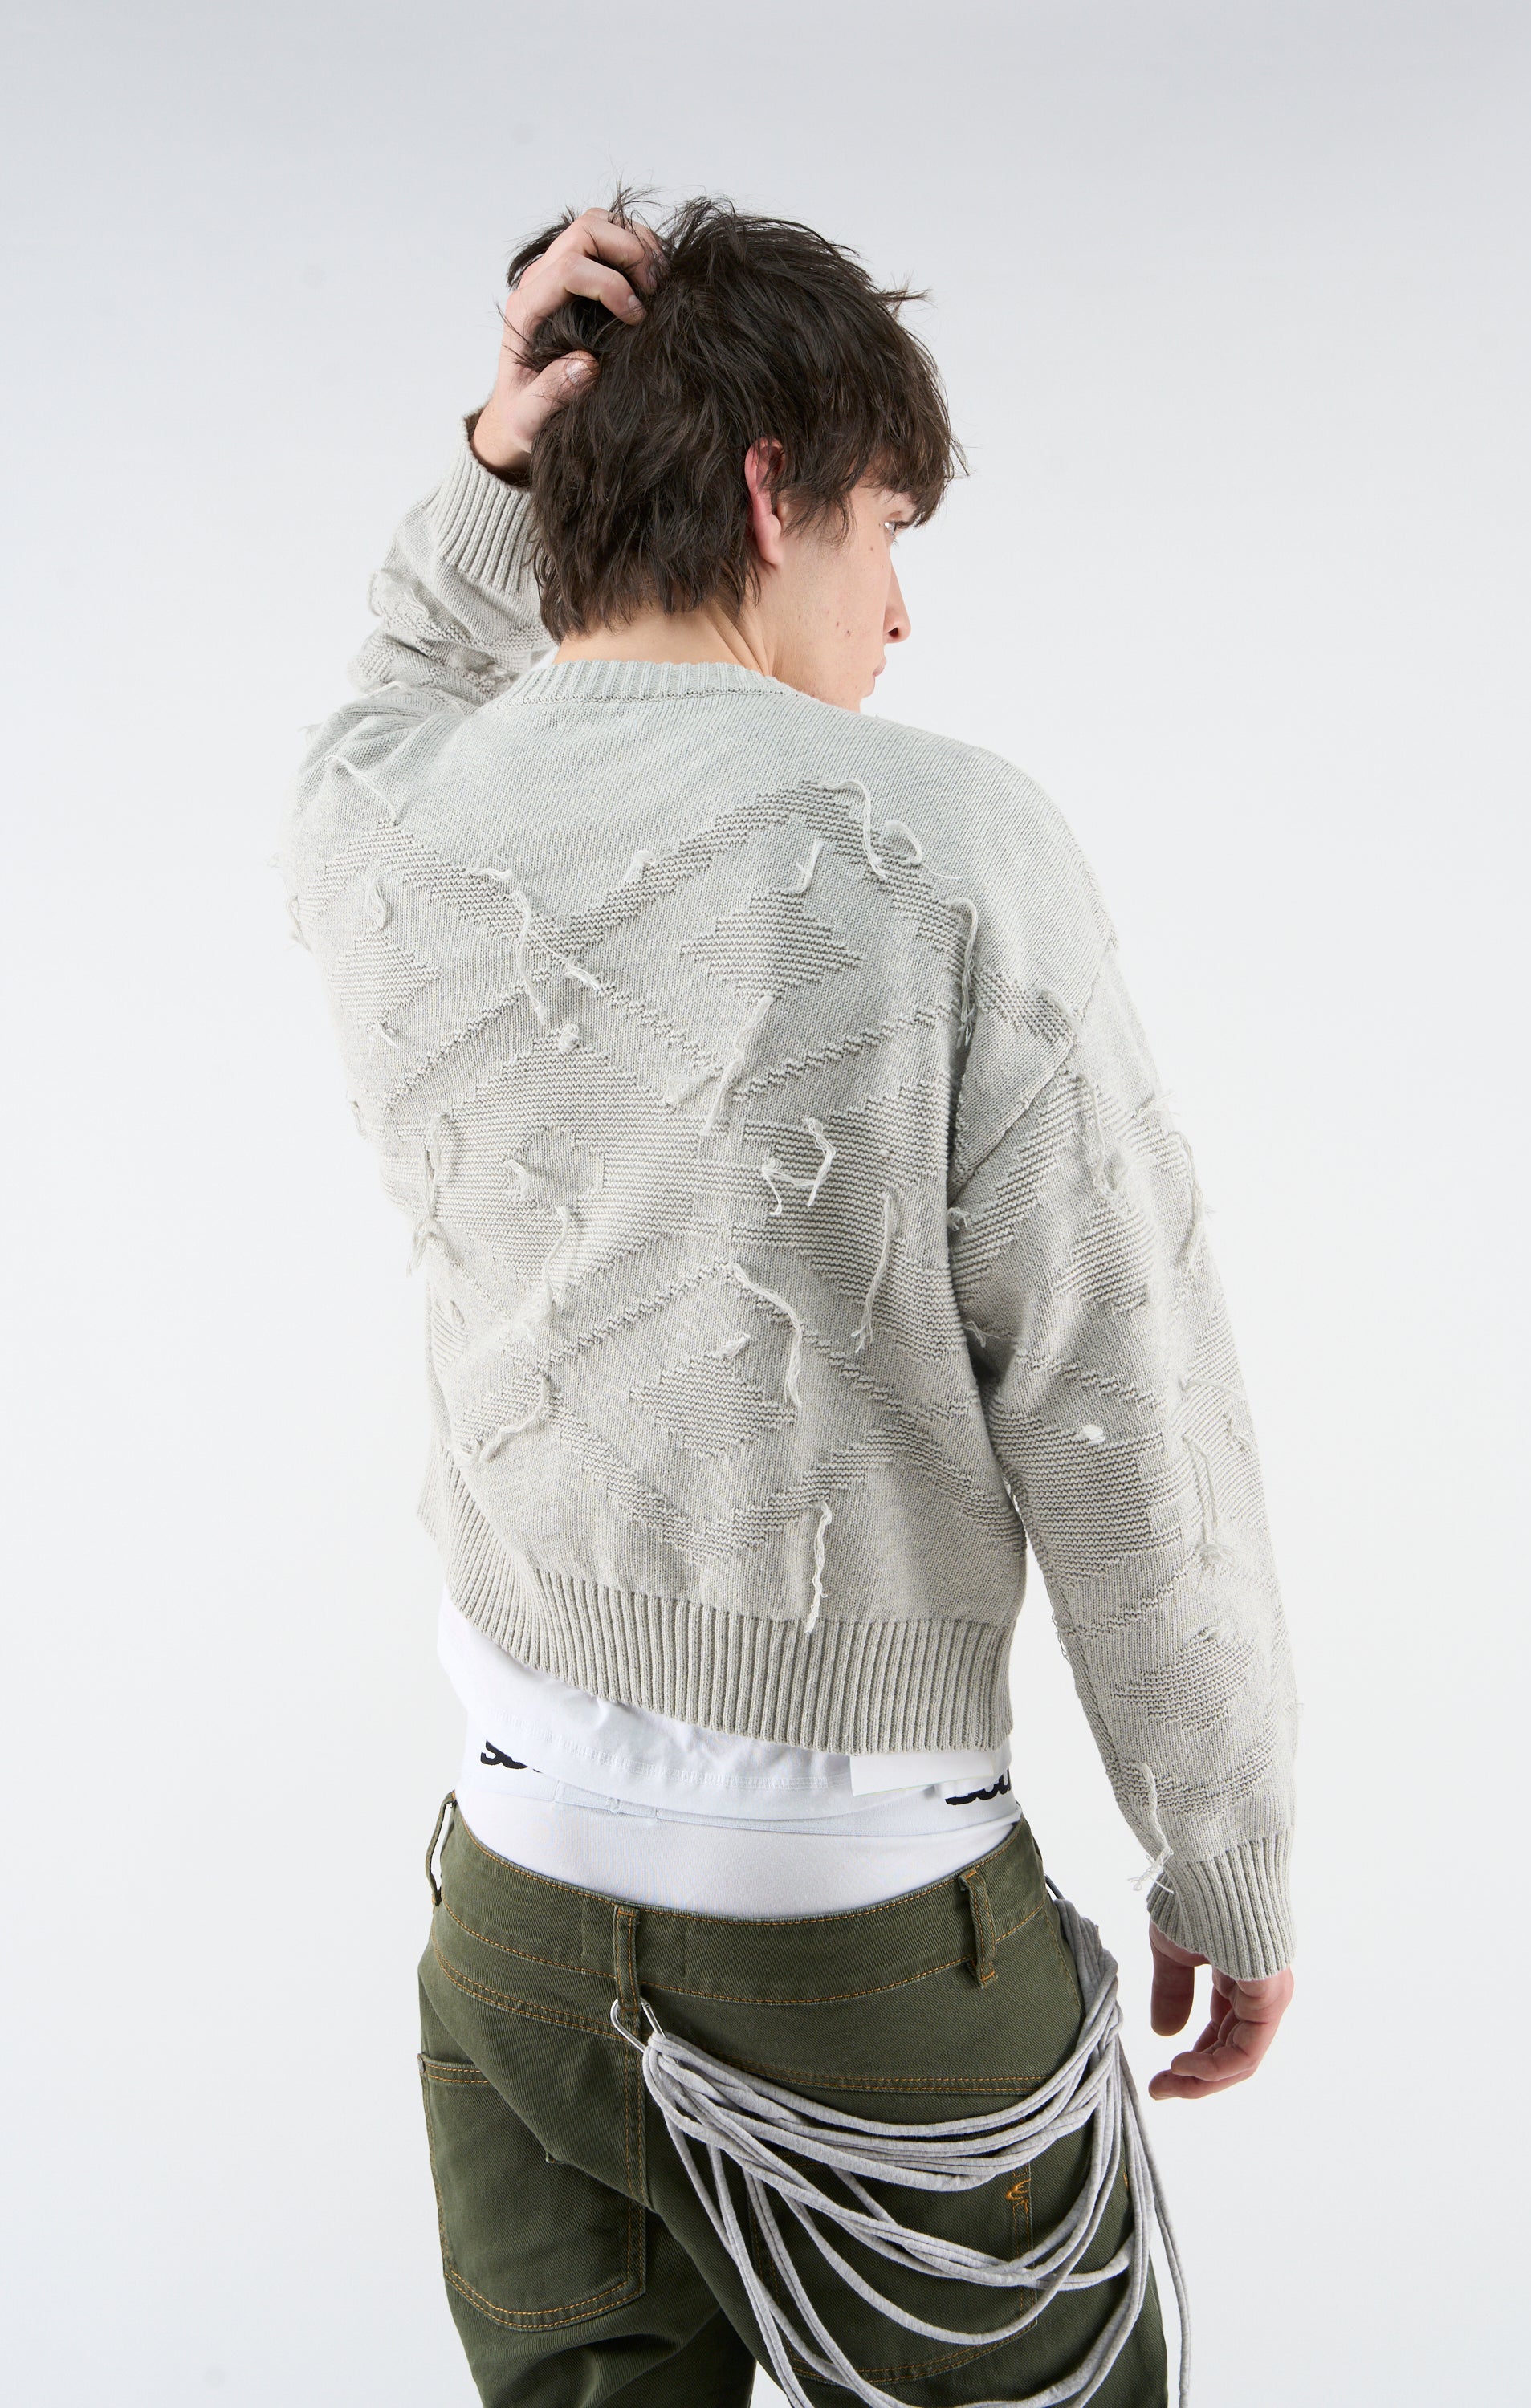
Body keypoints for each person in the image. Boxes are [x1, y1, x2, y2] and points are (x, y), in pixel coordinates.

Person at [281, 191, 1297, 2407]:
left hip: (515, 1920)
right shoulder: (948, 838)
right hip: (860, 1936)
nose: (903, 609)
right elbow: (1122, 1390)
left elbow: (400, 673)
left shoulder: (388, 817)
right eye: (886, 529)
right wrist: (1220, 1849)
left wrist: (499, 462)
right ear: (772, 492)